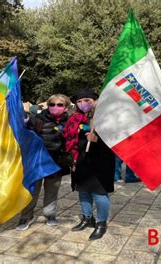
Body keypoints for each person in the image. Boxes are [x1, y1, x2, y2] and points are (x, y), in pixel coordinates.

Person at [63, 89, 115, 240]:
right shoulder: (75, 118)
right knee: (83, 191)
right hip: (80, 160)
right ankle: (87, 218)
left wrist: (97, 140)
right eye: (79, 101)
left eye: (87, 100)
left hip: (101, 161)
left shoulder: (106, 117)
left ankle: (101, 223)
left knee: (99, 193)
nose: (82, 104)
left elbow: (116, 142)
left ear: (96, 100)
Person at [16, 94, 71, 231]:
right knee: (32, 190)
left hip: (57, 163)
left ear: (65, 107)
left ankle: (50, 215)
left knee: (52, 191)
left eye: (60, 105)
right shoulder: (38, 120)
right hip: (38, 162)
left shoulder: (70, 122)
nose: (55, 107)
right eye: (52, 104)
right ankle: (26, 216)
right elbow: (26, 125)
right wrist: (23, 119)